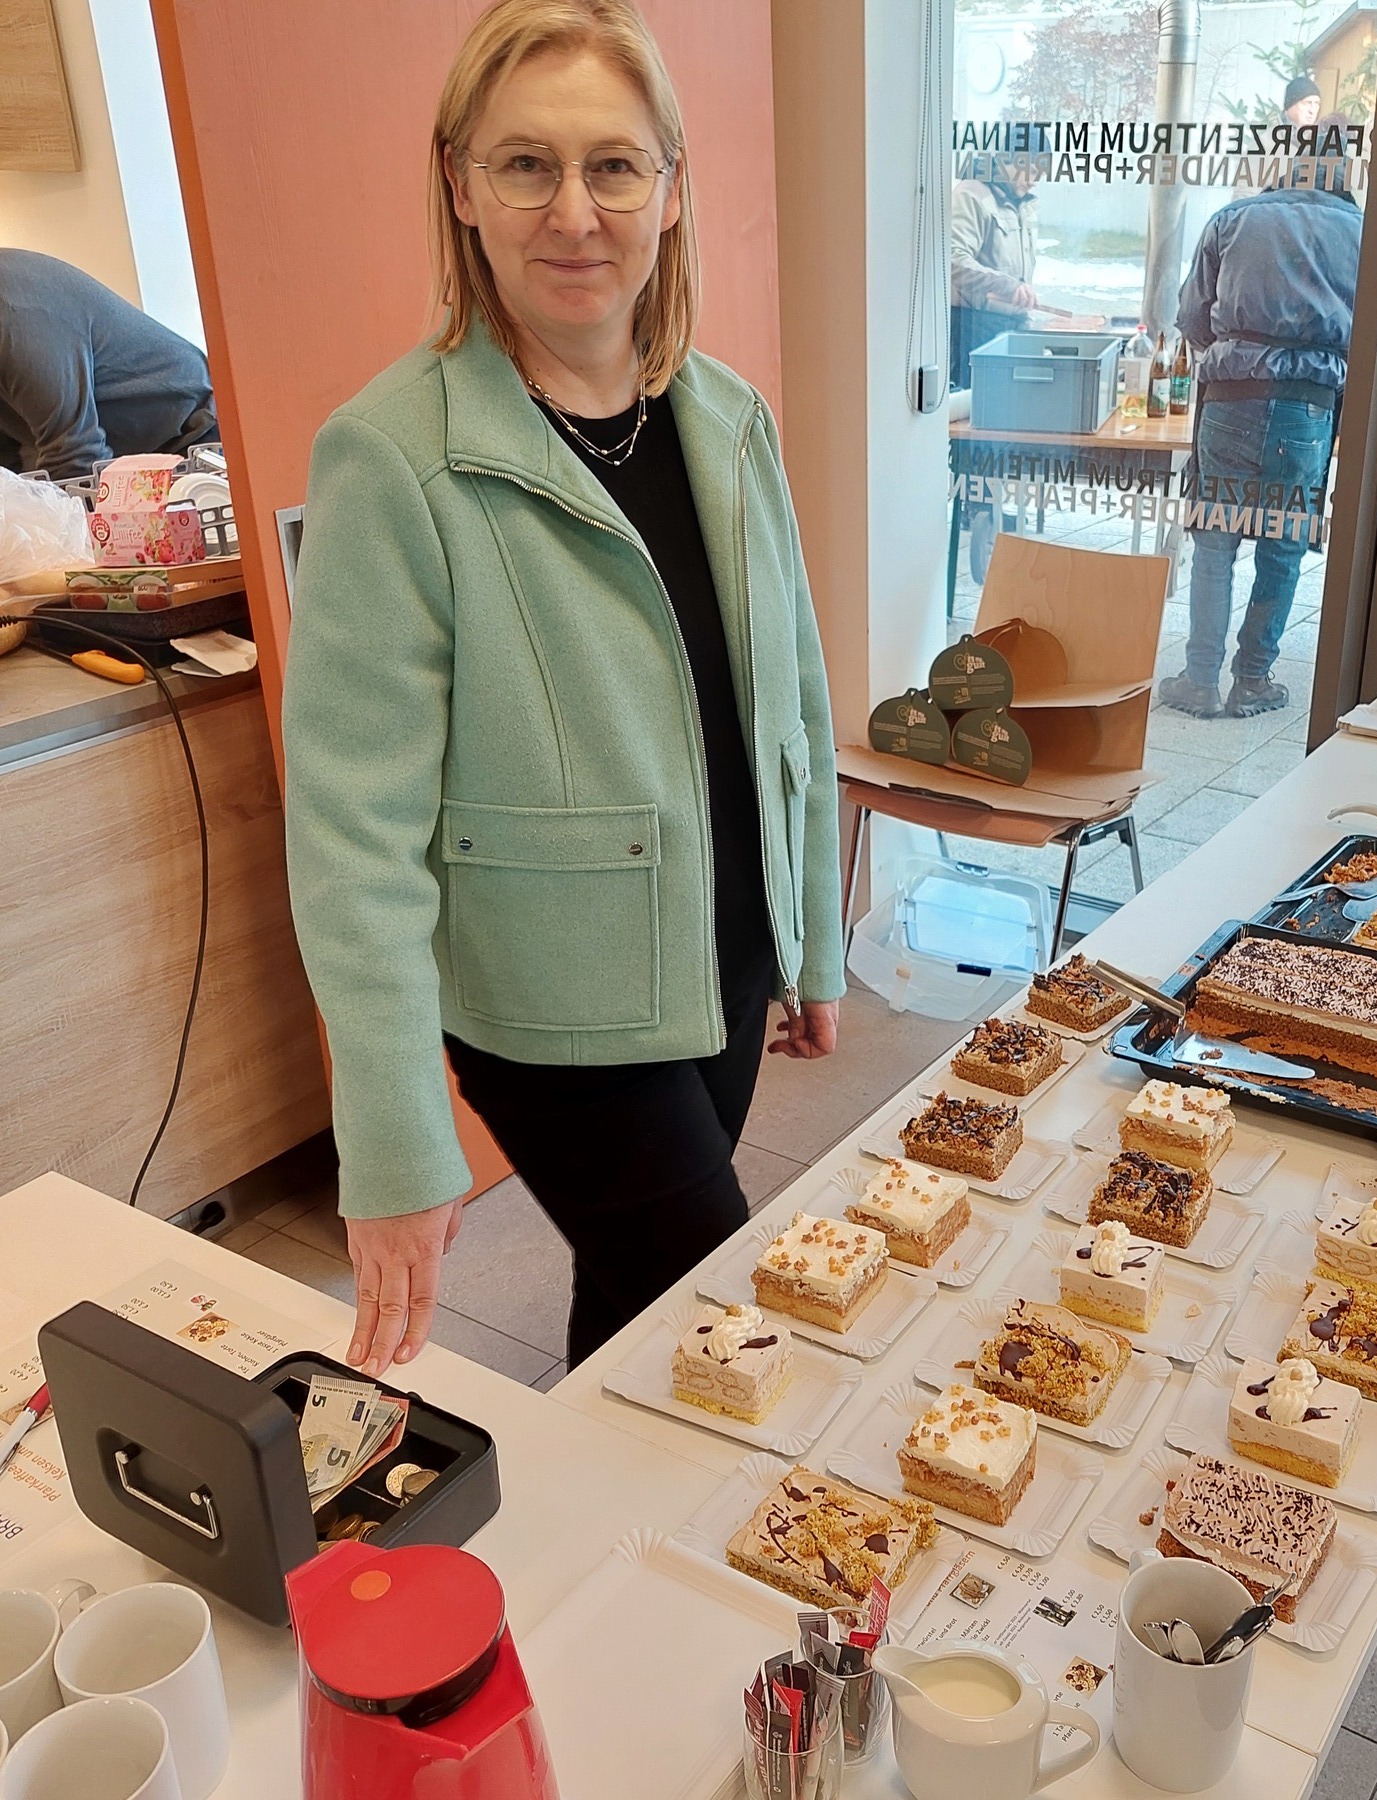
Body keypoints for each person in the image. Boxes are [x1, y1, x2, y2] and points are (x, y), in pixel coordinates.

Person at [283, 0, 844, 1378]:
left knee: (641, 1298)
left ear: (671, 188)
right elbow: (353, 837)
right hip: (552, 1006)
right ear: (461, 184)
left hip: (721, 958)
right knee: (705, 1299)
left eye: (613, 165)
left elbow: (791, 699)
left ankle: (603, 1507)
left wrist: (807, 933)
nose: (575, 213)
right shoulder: (395, 457)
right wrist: (396, 1138)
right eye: (527, 165)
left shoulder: (726, 418)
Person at [1158, 131, 1362, 720]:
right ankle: (1252, 679)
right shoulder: (1364, 231)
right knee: (1283, 545)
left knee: (1215, 541)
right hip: (1309, 407)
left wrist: (1238, 344)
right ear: (1344, 173)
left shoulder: (1233, 219)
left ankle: (1200, 680)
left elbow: (1192, 318)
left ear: (1290, 166)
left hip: (1231, 399)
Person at [0, 249, 214, 480]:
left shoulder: (18, 319)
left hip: (193, 439)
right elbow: (8, 463)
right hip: (128, 457)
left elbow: (75, 458)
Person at [949, 163, 1039, 387]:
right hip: (973, 327)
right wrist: (1007, 286)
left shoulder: (1023, 202)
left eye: (1041, 173)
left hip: (1011, 328)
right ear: (1005, 161)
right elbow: (953, 260)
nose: (1034, 181)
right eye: (1031, 170)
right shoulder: (972, 194)